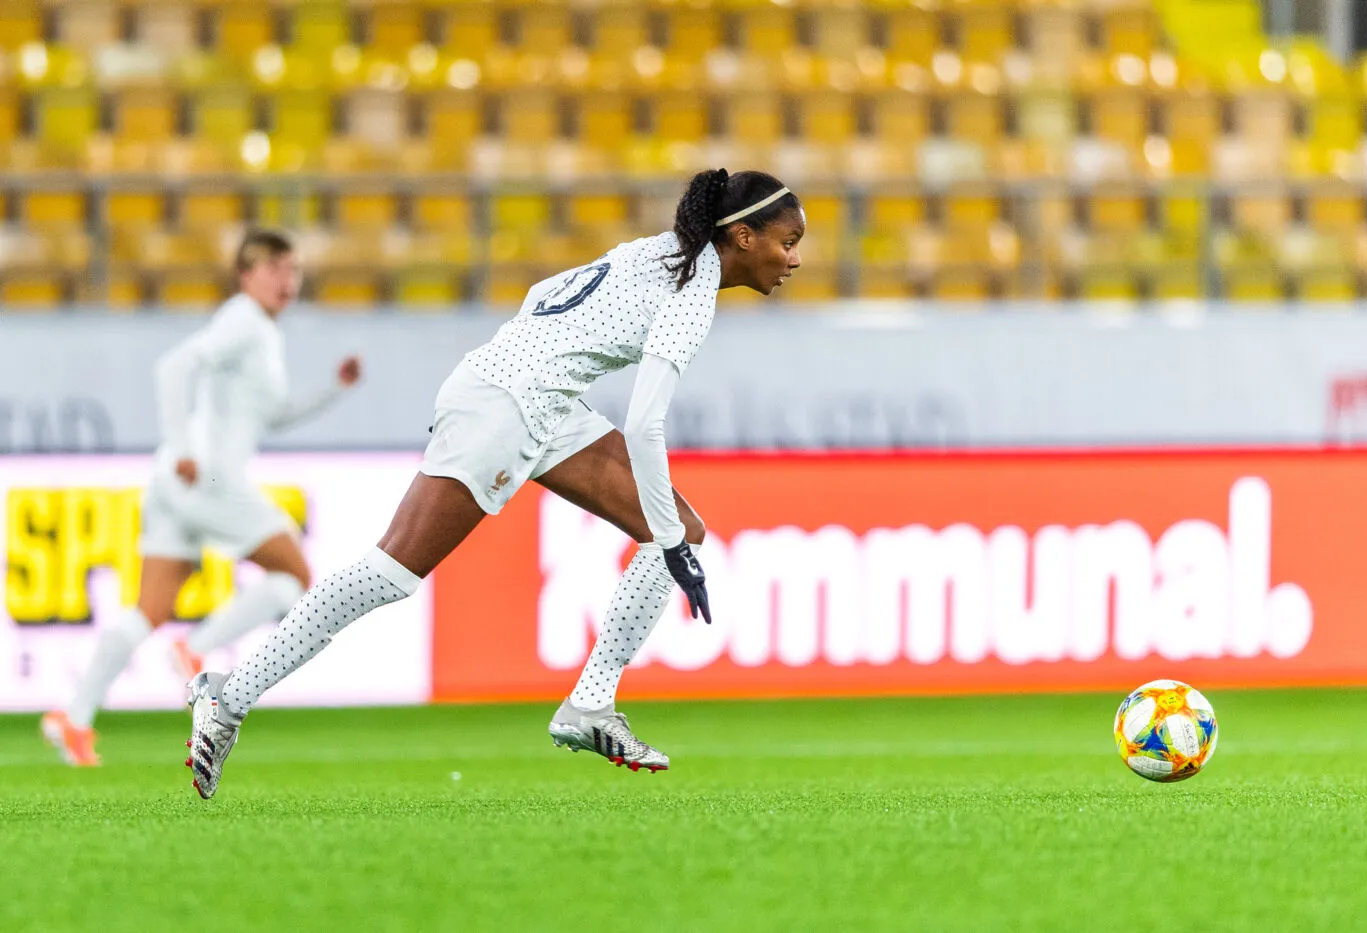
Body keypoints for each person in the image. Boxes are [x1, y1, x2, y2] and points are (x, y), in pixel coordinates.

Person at [183, 169, 804, 799]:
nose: (796, 260)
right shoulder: (693, 292)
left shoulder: (664, 252)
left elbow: (543, 293)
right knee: (393, 571)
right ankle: (227, 697)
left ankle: (590, 705)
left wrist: (669, 536)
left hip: (537, 396)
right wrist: (668, 544)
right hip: (506, 404)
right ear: (744, 237)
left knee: (680, 530)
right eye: (788, 243)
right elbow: (645, 425)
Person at [42, 229, 361, 766]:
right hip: (206, 477)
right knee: (295, 575)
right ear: (245, 275)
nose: (287, 281)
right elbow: (173, 366)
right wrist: (186, 447)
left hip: (174, 479)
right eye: (275, 269)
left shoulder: (261, 332)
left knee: (150, 609)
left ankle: (73, 719)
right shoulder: (244, 320)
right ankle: (195, 649)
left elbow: (273, 415)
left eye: (293, 270)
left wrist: (334, 388)